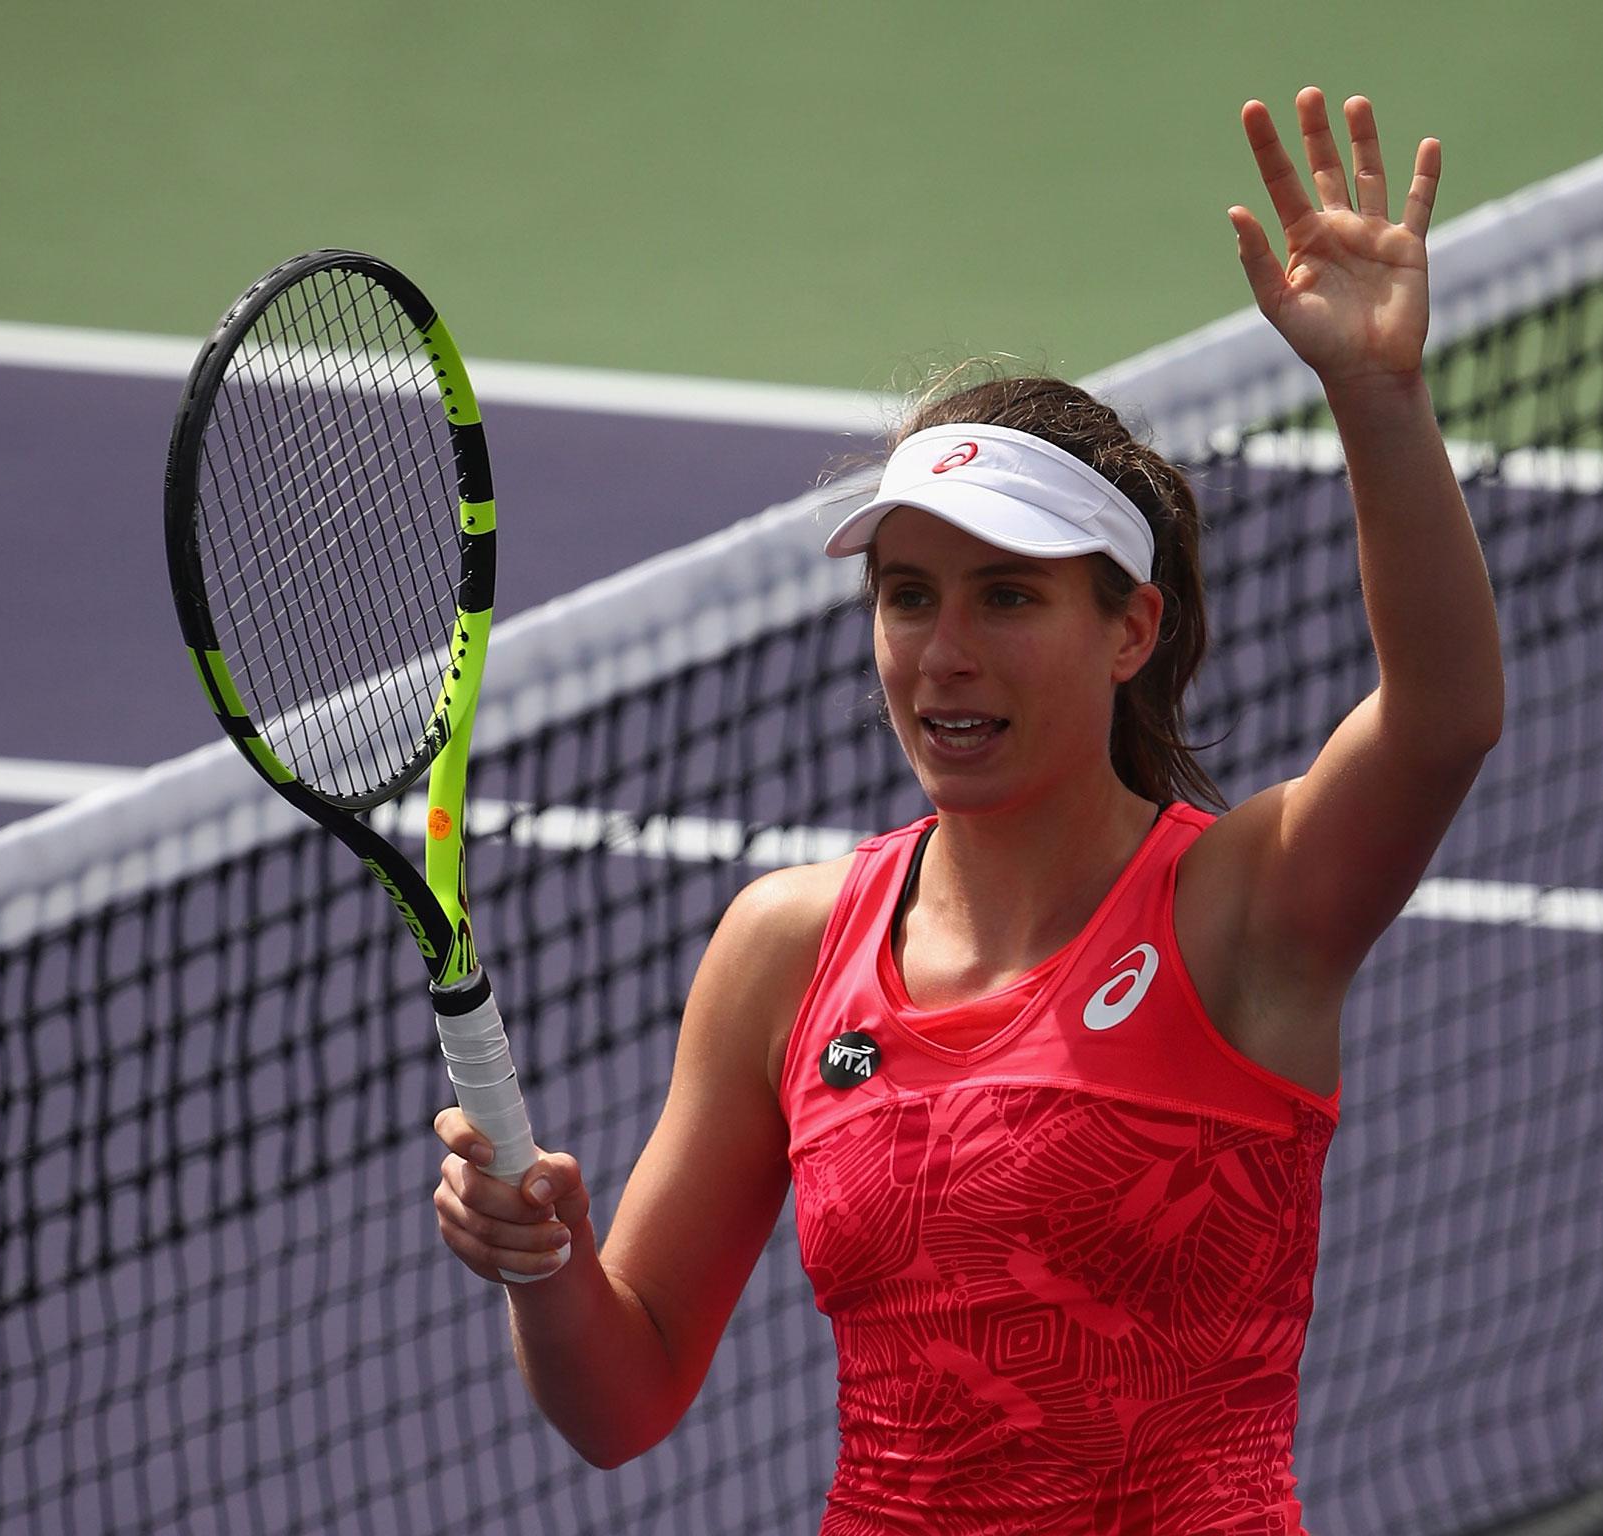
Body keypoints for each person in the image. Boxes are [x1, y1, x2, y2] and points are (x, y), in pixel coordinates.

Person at [433, 88, 1503, 1533]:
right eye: (907, 597)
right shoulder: (787, 948)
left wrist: (1377, 394)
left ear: (1128, 630)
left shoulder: (1245, 911)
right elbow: (625, 1404)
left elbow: (1441, 720)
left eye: (1009, 597)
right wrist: (548, 1265)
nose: (945, 652)